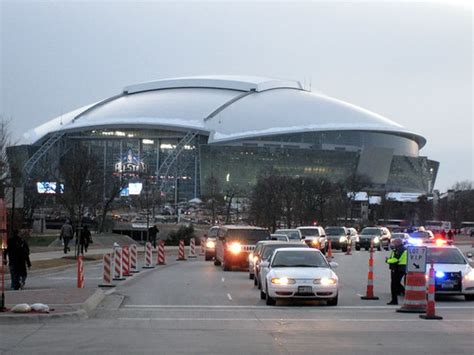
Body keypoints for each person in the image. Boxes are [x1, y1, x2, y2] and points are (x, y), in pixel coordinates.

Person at [385, 237, 407, 305]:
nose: (393, 244)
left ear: (398, 243)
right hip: (399, 268)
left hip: (398, 268)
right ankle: (403, 292)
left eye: (394, 243)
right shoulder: (400, 249)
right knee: (396, 284)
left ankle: (394, 300)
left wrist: (387, 260)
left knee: (394, 285)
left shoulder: (400, 250)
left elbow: (396, 259)